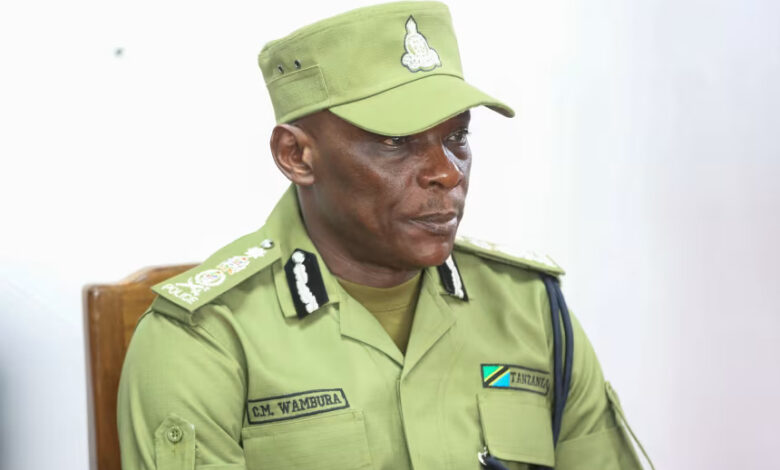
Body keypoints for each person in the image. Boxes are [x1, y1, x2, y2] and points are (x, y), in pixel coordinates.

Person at [117, 2, 653, 469]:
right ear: (296, 155)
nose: (446, 173)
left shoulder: (530, 309)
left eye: (457, 136)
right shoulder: (205, 338)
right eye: (395, 141)